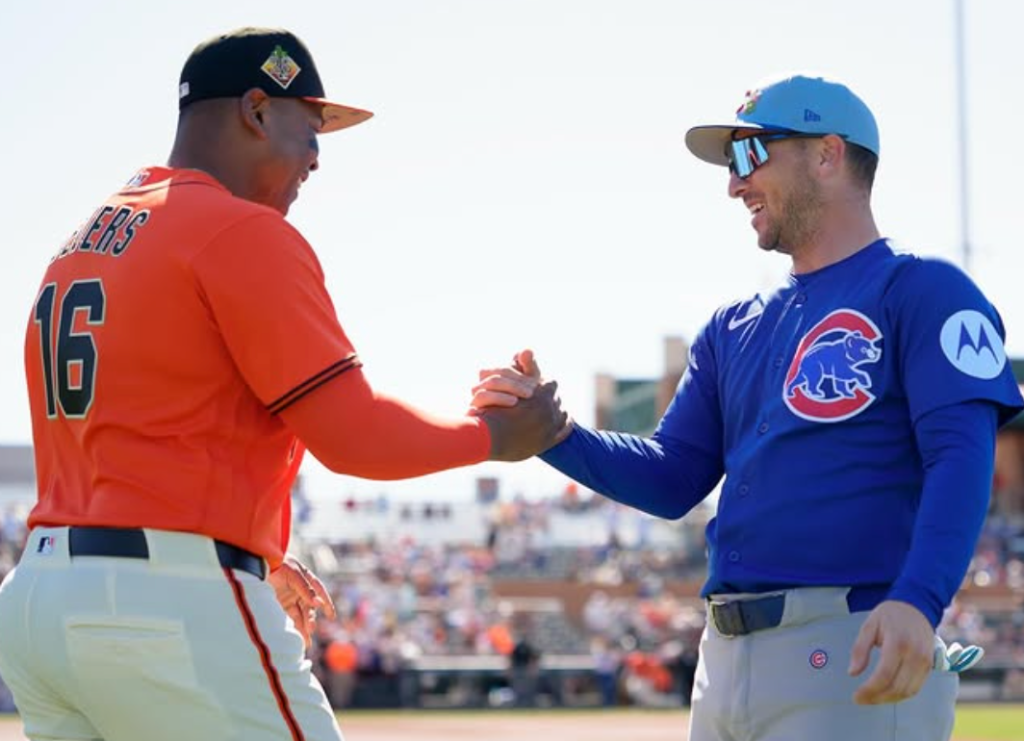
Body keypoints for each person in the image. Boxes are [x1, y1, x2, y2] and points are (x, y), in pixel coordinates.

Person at [0, 27, 566, 741]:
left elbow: (144, 434)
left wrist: (253, 547)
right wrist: (495, 436)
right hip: (163, 604)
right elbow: (354, 436)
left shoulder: (83, 239)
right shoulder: (237, 229)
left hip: (39, 601)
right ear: (257, 110)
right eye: (310, 126)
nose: (318, 156)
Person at [474, 74, 1024, 740]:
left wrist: (919, 597)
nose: (734, 184)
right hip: (723, 661)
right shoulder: (732, 325)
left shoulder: (925, 289)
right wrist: (555, 432)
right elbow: (673, 476)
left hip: (852, 645)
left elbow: (960, 456)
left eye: (749, 155)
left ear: (827, 154)